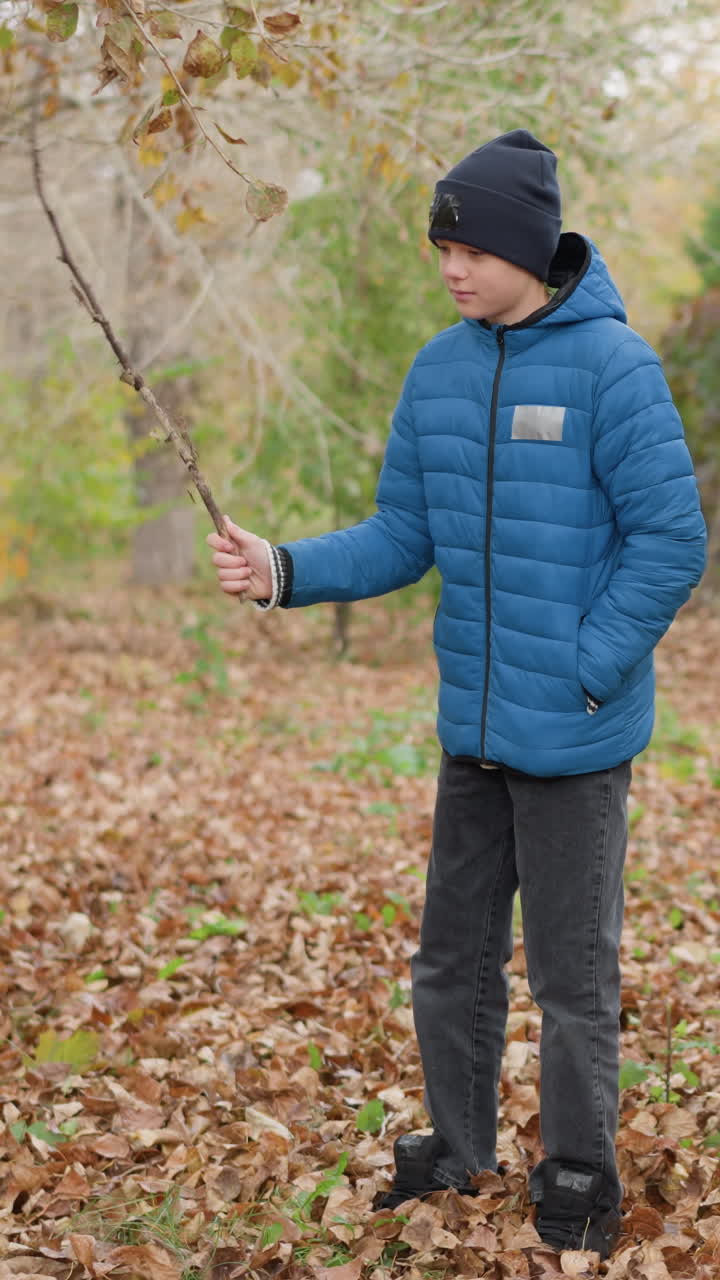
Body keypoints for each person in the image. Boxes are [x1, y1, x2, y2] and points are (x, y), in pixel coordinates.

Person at [207, 130, 707, 1258]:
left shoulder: (613, 367)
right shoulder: (439, 368)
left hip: (575, 737)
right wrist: (282, 568)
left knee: (572, 974)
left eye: (468, 244)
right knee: (451, 956)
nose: (450, 266)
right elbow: (403, 535)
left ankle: (578, 1167)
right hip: (474, 731)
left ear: (528, 247)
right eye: (441, 245)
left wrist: (587, 668)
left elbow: (672, 540)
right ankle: (458, 1144)